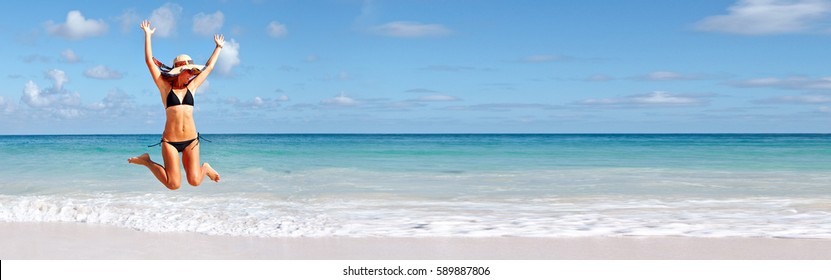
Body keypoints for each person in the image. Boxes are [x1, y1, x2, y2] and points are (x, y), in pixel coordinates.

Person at [128, 20, 221, 190]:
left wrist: (218, 48)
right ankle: (147, 161)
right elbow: (149, 62)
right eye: (190, 71)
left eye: (193, 72)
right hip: (170, 141)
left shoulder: (192, 87)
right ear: (180, 72)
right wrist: (148, 36)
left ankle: (205, 168)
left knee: (194, 181)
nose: (192, 75)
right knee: (173, 184)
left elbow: (209, 68)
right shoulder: (165, 88)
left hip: (191, 141)